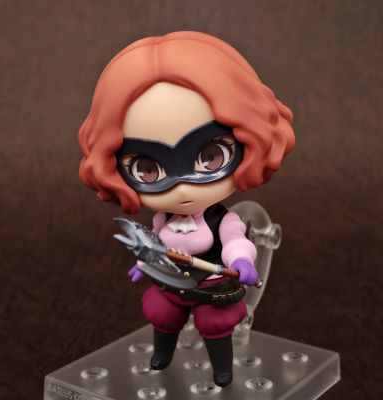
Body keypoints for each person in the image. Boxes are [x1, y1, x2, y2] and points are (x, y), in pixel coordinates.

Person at [78, 31, 295, 387]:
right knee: (163, 315)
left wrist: (242, 261)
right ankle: (162, 355)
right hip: (173, 285)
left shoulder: (221, 219)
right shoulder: (163, 217)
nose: (181, 188)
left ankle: (222, 370)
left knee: (214, 324)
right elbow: (154, 245)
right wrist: (144, 263)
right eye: (148, 169)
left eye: (211, 157)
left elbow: (236, 240)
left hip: (212, 285)